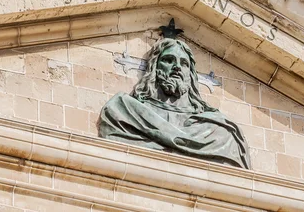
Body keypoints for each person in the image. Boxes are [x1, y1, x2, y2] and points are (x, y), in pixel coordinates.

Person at [98, 37, 251, 169]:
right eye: (168, 60)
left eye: (184, 63)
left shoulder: (220, 131)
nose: (177, 67)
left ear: (190, 75)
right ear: (154, 68)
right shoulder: (124, 110)